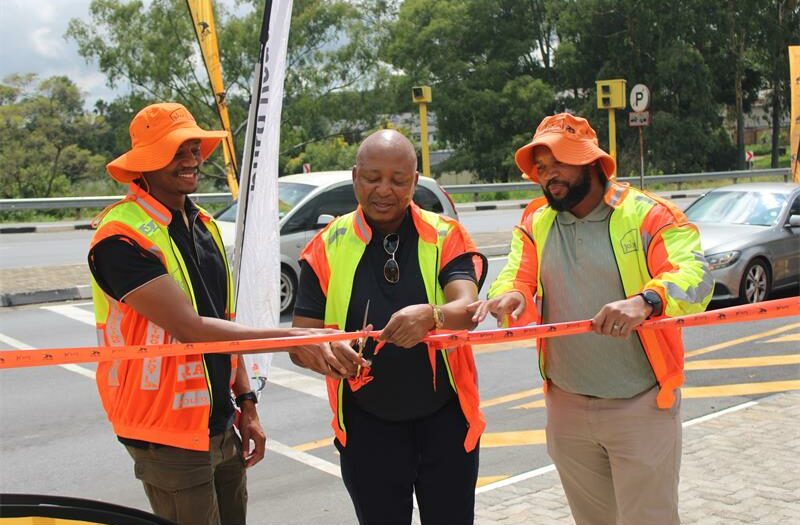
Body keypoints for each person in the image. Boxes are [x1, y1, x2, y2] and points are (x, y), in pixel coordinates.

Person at [88, 102, 363, 525]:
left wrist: (247, 403)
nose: (192, 159)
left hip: (220, 424)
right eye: (177, 150)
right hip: (165, 432)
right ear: (145, 161)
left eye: (194, 147)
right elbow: (190, 327)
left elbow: (224, 323)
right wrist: (297, 337)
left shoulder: (204, 225)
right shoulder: (120, 238)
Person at [470, 113, 713, 525]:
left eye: (560, 162)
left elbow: (696, 276)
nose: (550, 176)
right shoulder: (536, 221)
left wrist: (645, 301)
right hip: (565, 407)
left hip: (641, 404)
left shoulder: (649, 215)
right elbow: (515, 274)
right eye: (542, 168)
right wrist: (508, 294)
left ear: (590, 161)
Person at [291, 129, 486, 525]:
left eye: (399, 181)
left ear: (414, 182)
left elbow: (467, 308)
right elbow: (300, 340)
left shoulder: (445, 234)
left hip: (446, 423)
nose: (385, 190)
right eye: (372, 177)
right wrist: (327, 352)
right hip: (366, 427)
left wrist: (433, 315)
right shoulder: (326, 246)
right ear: (354, 177)